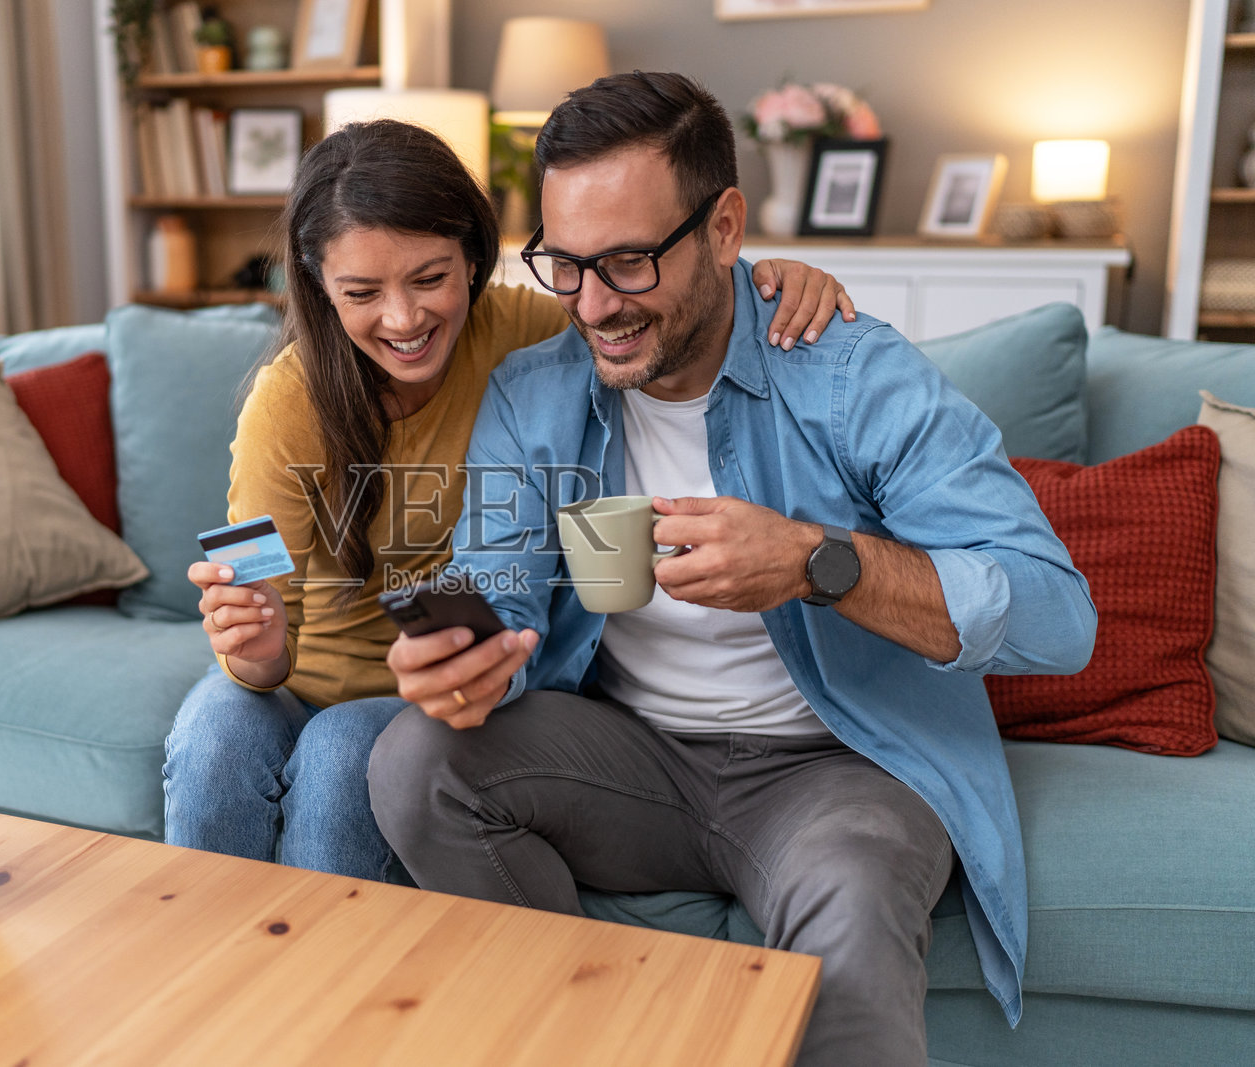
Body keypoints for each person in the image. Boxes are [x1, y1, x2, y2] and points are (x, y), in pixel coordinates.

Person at [367, 73, 1097, 1066]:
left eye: (626, 261)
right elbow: (495, 584)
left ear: (722, 228)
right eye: (565, 264)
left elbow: (1058, 616)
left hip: (837, 767)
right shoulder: (532, 394)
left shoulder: (852, 377)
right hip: (632, 754)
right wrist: (464, 660)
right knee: (411, 758)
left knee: (850, 906)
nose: (592, 304)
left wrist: (817, 563)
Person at [161, 118, 860, 882]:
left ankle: (333, 988)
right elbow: (255, 606)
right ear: (320, 287)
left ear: (473, 255)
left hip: (436, 693)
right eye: (362, 292)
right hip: (295, 676)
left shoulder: (525, 333)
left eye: (429, 279)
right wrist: (254, 654)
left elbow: (653, 308)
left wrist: (767, 279)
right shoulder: (285, 401)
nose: (403, 320)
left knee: (339, 752)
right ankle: (215, 983)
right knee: (211, 737)